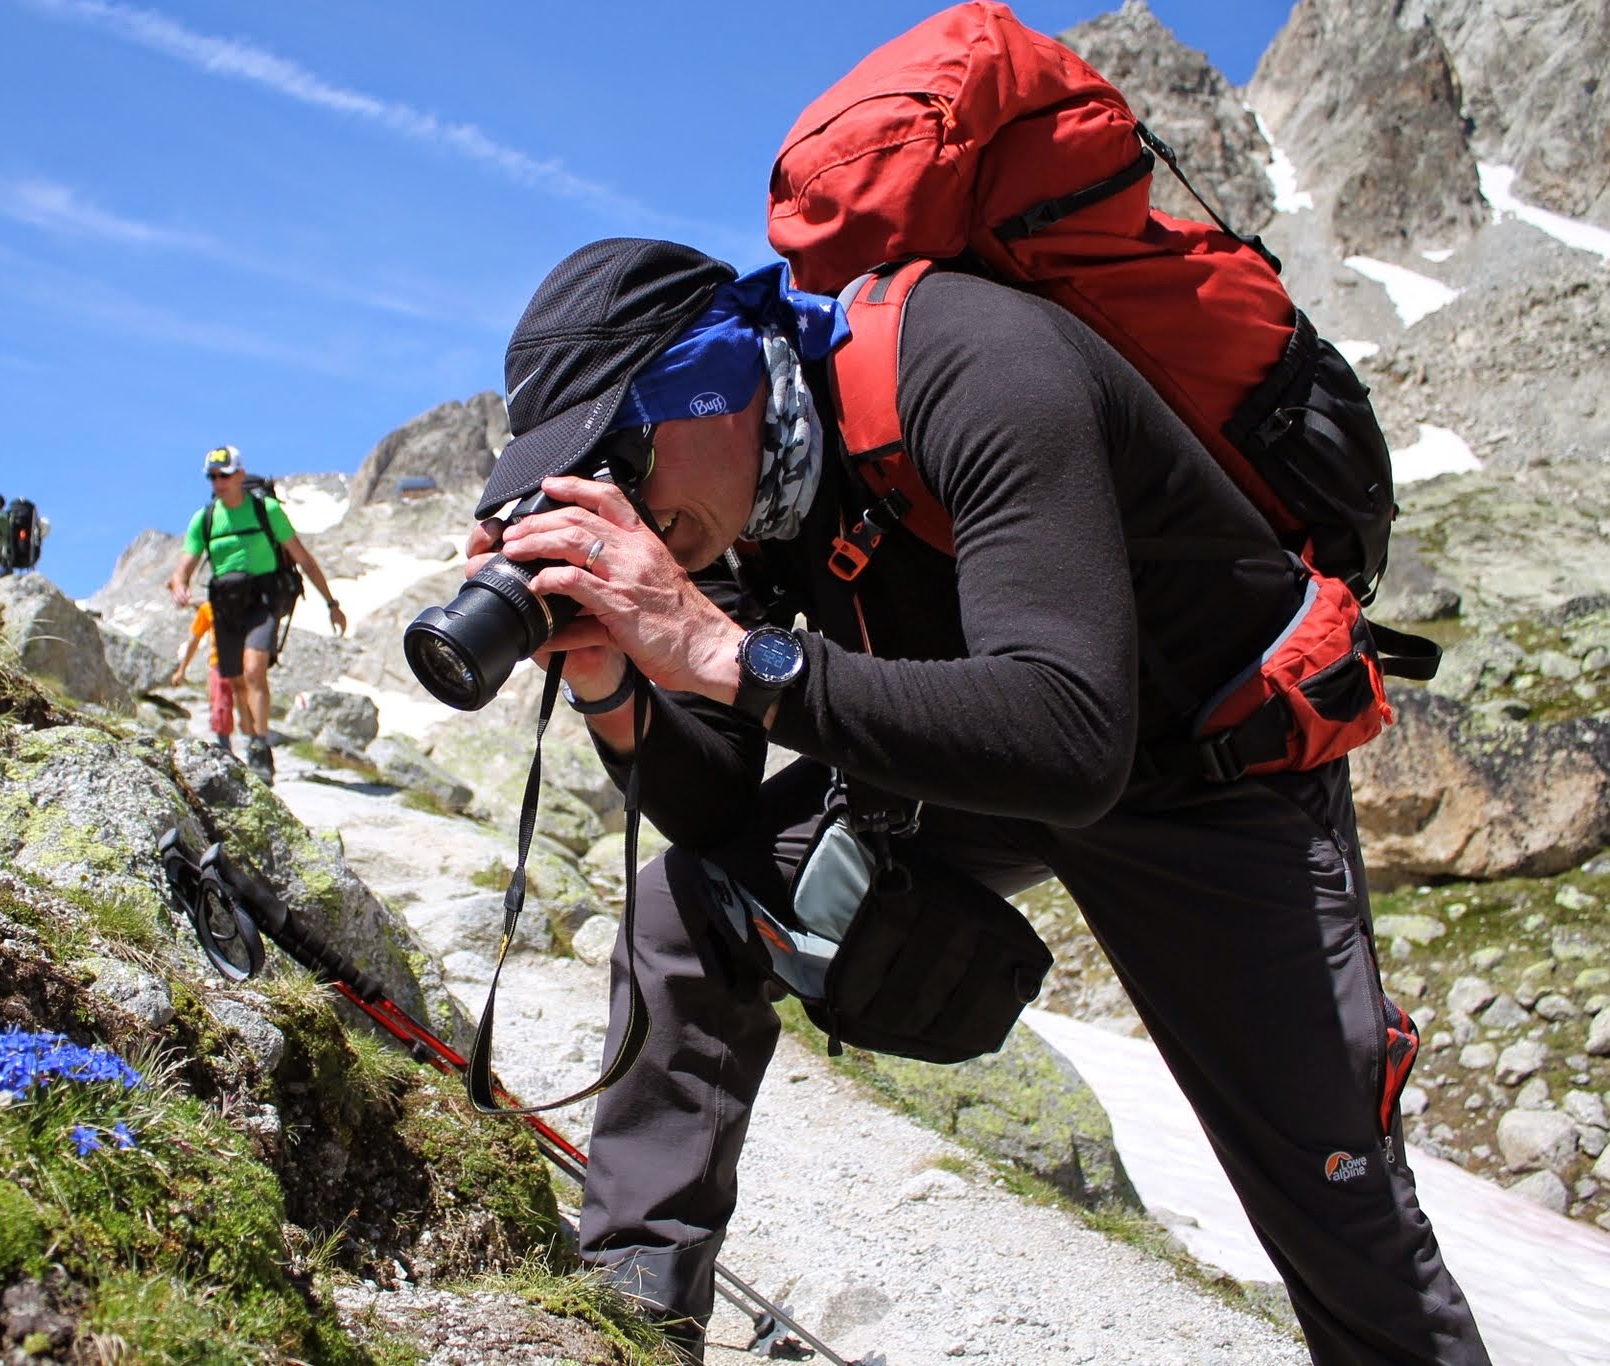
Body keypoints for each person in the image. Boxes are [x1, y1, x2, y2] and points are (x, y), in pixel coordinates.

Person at [463, 239, 1487, 1364]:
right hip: (981, 758)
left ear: (712, 378)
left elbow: (1069, 734)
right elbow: (712, 807)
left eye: (620, 456)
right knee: (689, 909)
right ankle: (633, 1325)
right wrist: (613, 676)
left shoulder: (973, 361)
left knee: (1333, 1206)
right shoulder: (733, 495)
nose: (620, 504)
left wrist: (724, 651)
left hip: (1208, 782)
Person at [167, 446, 347, 784]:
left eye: (224, 475)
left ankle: (260, 746)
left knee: (253, 671)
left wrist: (331, 604)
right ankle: (250, 739)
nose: (218, 482)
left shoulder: (267, 510)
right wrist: (179, 586)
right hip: (225, 605)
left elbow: (304, 559)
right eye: (213, 477)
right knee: (235, 681)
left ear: (239, 475)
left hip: (264, 600)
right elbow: (183, 569)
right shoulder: (204, 520)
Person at [169, 599, 237, 752]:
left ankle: (256, 748)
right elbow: (194, 639)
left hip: (245, 661)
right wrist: (182, 669)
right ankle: (225, 748)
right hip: (220, 663)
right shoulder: (207, 609)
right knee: (220, 704)